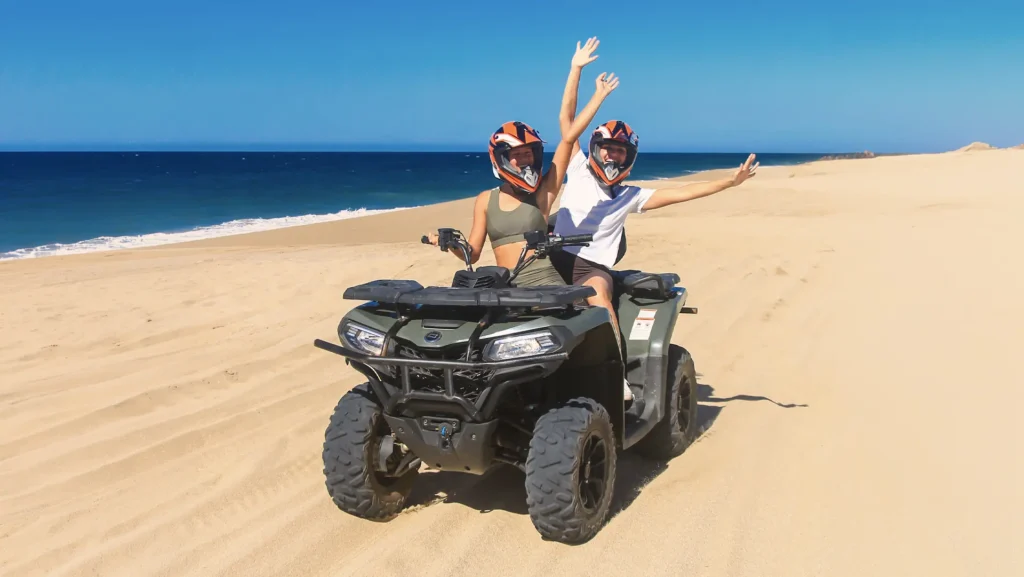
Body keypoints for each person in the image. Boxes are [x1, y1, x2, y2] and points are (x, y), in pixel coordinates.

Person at [551, 116, 759, 402]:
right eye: (607, 148)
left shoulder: (629, 196)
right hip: (553, 258)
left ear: (629, 157)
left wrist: (730, 182)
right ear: (595, 149)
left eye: (620, 151)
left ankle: (614, 374)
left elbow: (680, 193)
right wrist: (575, 71)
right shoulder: (577, 170)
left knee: (599, 295)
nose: (612, 155)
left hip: (591, 268)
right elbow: (568, 122)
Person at [424, 37, 619, 287]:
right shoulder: (485, 200)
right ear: (502, 159)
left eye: (529, 154)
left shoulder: (544, 193)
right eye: (517, 155)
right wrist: (449, 243)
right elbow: (471, 254)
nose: (525, 160)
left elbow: (568, 134)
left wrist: (577, 72)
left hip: (545, 286)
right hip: (503, 288)